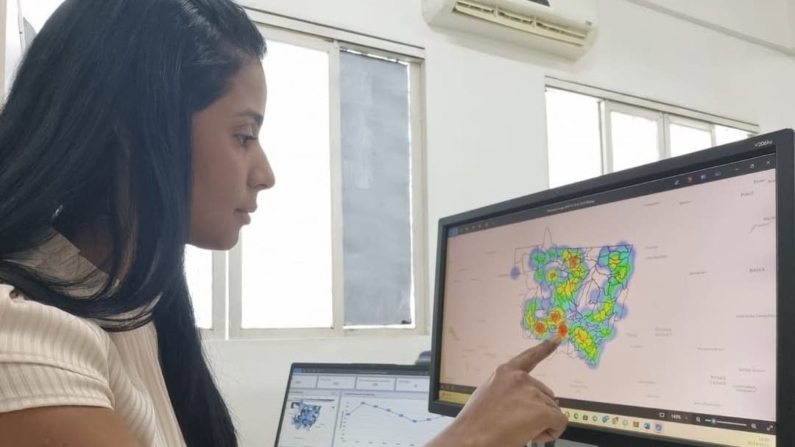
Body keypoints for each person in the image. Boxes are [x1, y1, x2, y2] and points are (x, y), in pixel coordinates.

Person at [0, 1, 568, 446]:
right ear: (133, 129)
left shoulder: (130, 305)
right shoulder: (22, 336)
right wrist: (470, 437)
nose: (265, 173)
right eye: (243, 136)